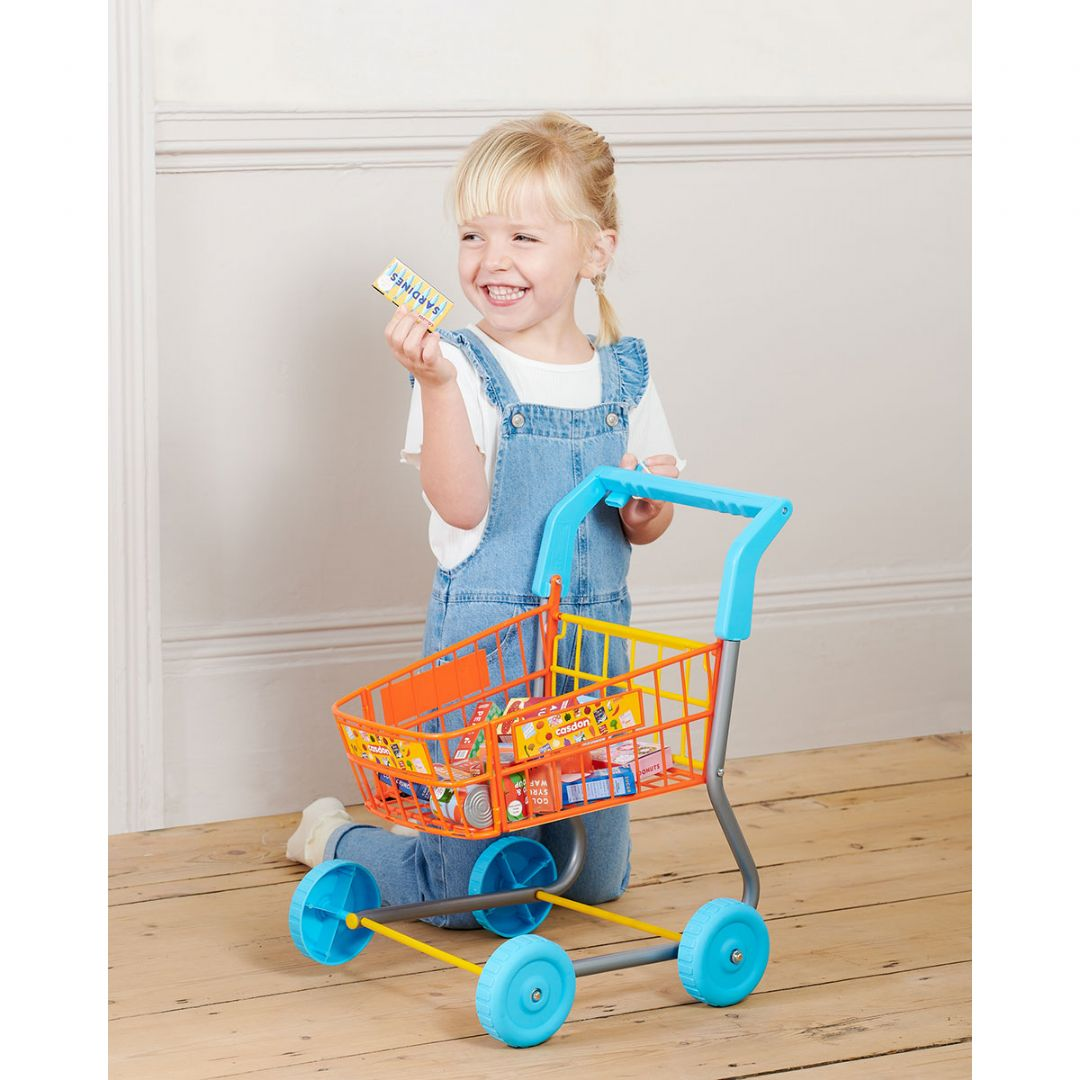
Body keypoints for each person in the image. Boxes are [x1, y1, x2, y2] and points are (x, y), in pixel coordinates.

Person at [287, 112, 685, 928]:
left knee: (595, 882)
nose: (491, 260)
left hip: (589, 658)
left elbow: (649, 518)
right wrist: (435, 387)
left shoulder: (626, 376)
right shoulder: (461, 367)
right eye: (473, 235)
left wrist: (649, 507)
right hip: (489, 658)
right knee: (464, 896)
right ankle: (336, 837)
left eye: (523, 238)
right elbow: (462, 505)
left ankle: (465, 840)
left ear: (595, 253)